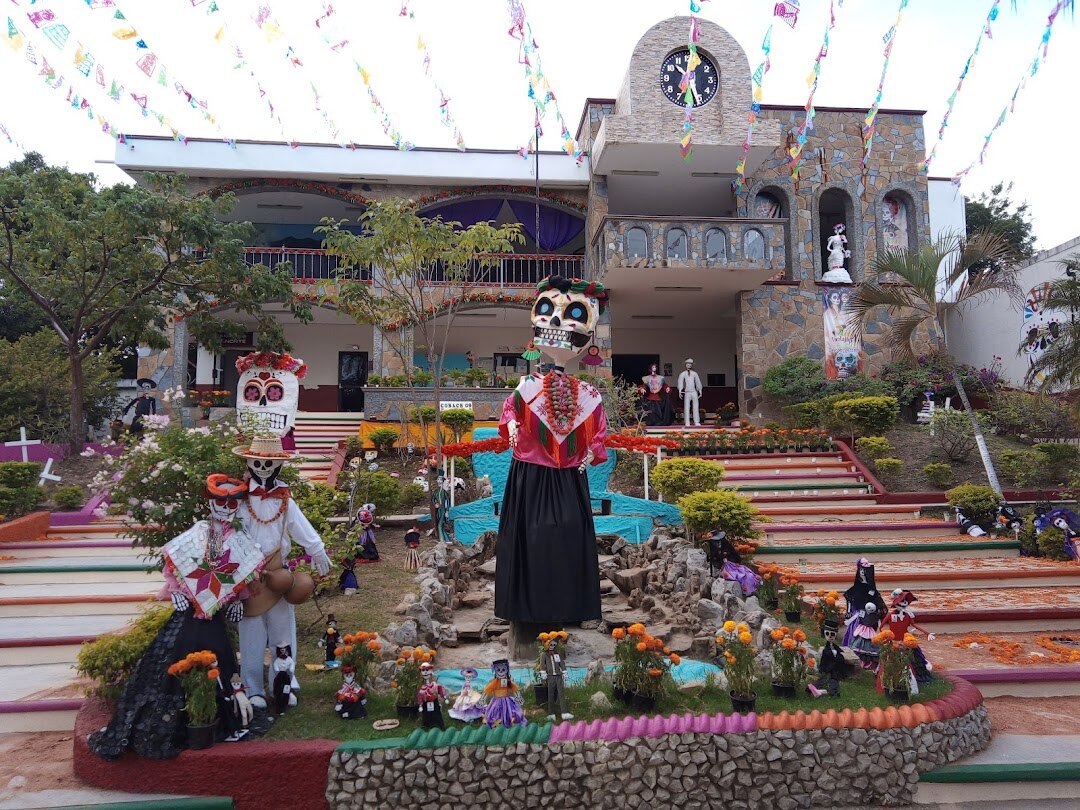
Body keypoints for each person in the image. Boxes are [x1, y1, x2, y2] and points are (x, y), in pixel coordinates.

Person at [88, 475, 264, 760]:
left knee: (222, 658)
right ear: (210, 502)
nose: (227, 507)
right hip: (188, 615)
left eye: (233, 502)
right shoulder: (198, 532)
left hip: (216, 615)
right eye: (221, 501)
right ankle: (182, 719)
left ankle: (219, 717)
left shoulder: (241, 541)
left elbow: (238, 576)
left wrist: (239, 601)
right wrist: (174, 591)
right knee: (178, 658)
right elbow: (176, 563)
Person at [497, 276, 609, 628]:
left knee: (568, 535)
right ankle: (528, 609)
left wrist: (592, 449)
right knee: (533, 536)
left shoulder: (588, 395)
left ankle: (571, 606)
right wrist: (513, 425)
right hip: (531, 474)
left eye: (573, 314)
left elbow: (598, 432)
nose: (558, 322)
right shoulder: (526, 387)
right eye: (549, 311)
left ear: (588, 339)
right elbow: (510, 413)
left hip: (568, 480)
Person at [808, 619, 844, 698]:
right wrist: (822, 669)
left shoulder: (835, 649)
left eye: (832, 634)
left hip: (834, 670)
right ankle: (819, 690)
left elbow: (839, 658)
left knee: (832, 681)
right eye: (827, 634)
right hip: (828, 669)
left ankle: (826, 692)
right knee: (826, 680)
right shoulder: (826, 650)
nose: (830, 636)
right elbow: (824, 660)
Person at [677, 358, 703, 427]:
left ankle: (696, 421)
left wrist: (700, 390)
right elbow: (680, 382)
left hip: (694, 391)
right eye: (688, 364)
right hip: (687, 392)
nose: (689, 365)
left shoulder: (695, 374)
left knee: (695, 407)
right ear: (686, 365)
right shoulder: (683, 374)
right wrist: (680, 390)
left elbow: (697, 382)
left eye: (690, 364)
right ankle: (687, 422)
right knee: (687, 407)